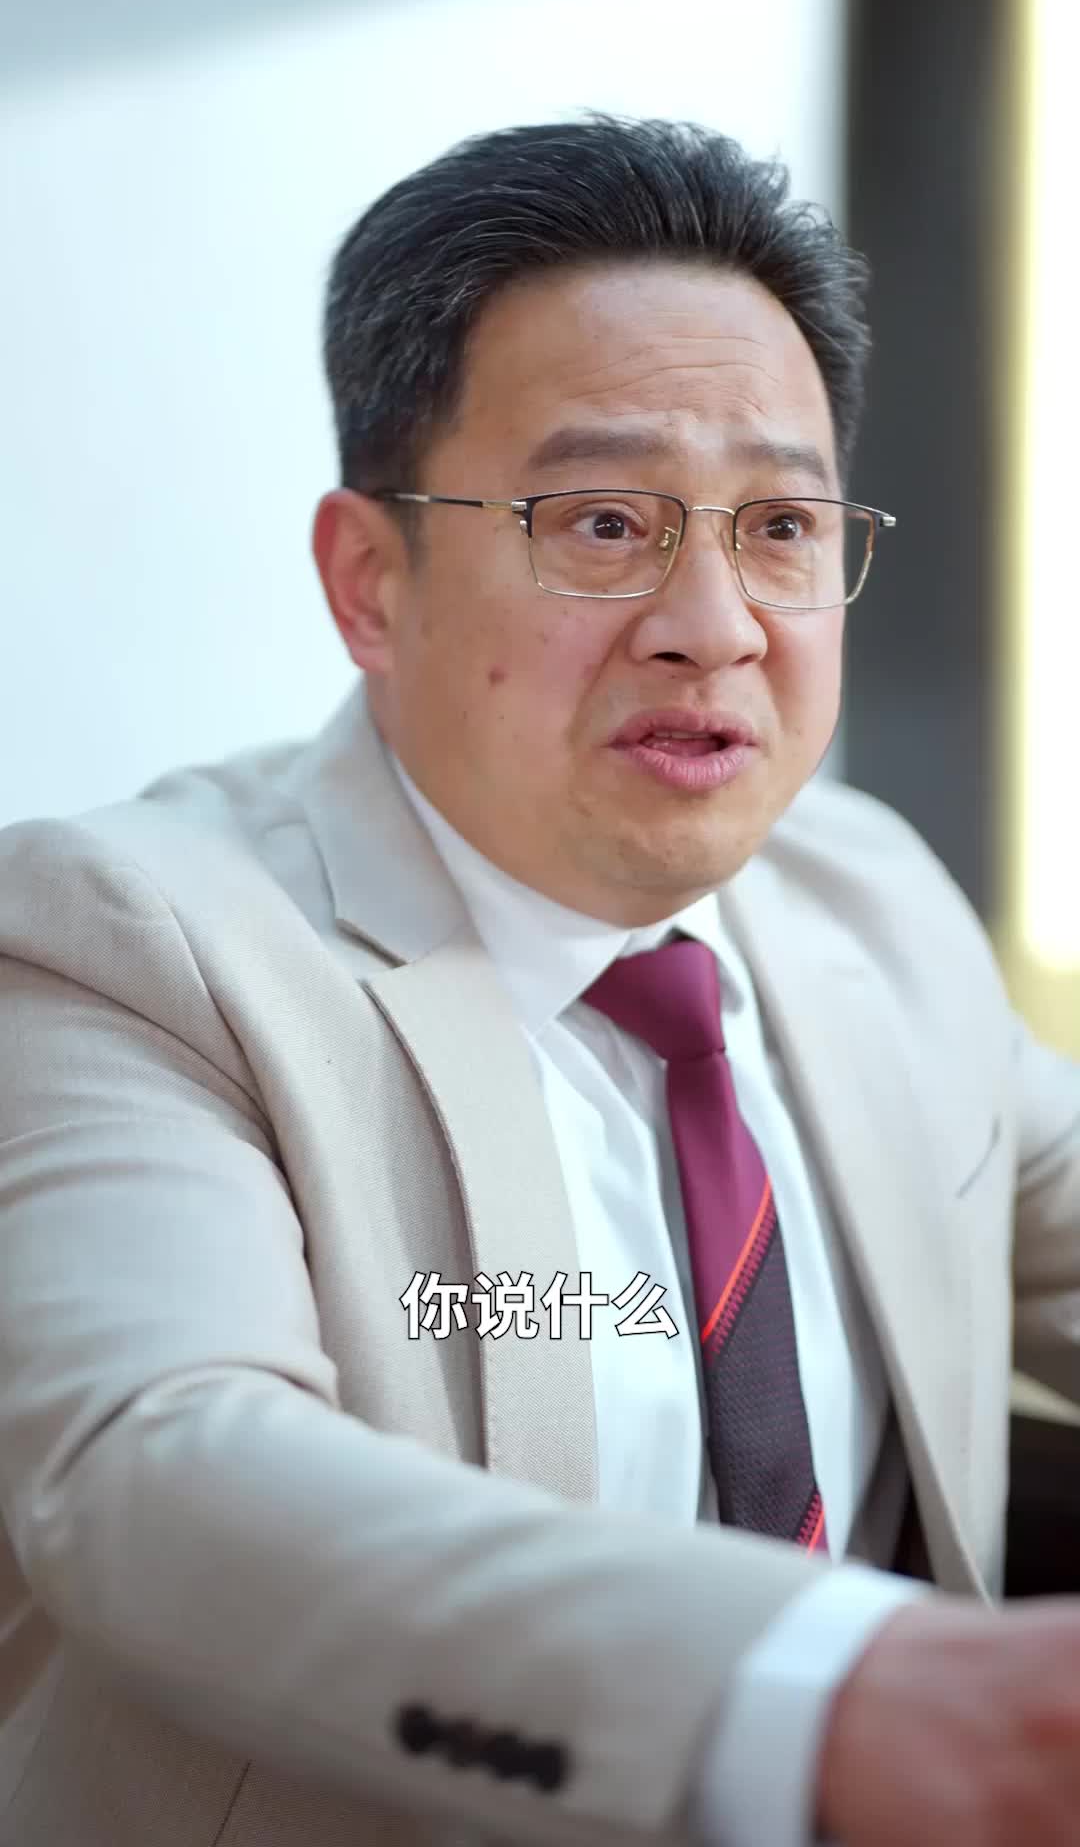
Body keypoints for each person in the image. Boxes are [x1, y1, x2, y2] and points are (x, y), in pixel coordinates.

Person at [1, 114, 1079, 1847]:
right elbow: (158, 1475)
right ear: (371, 582)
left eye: (783, 526)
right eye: (603, 521)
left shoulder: (862, 902)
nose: (715, 622)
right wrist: (839, 1693)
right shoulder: (135, 940)